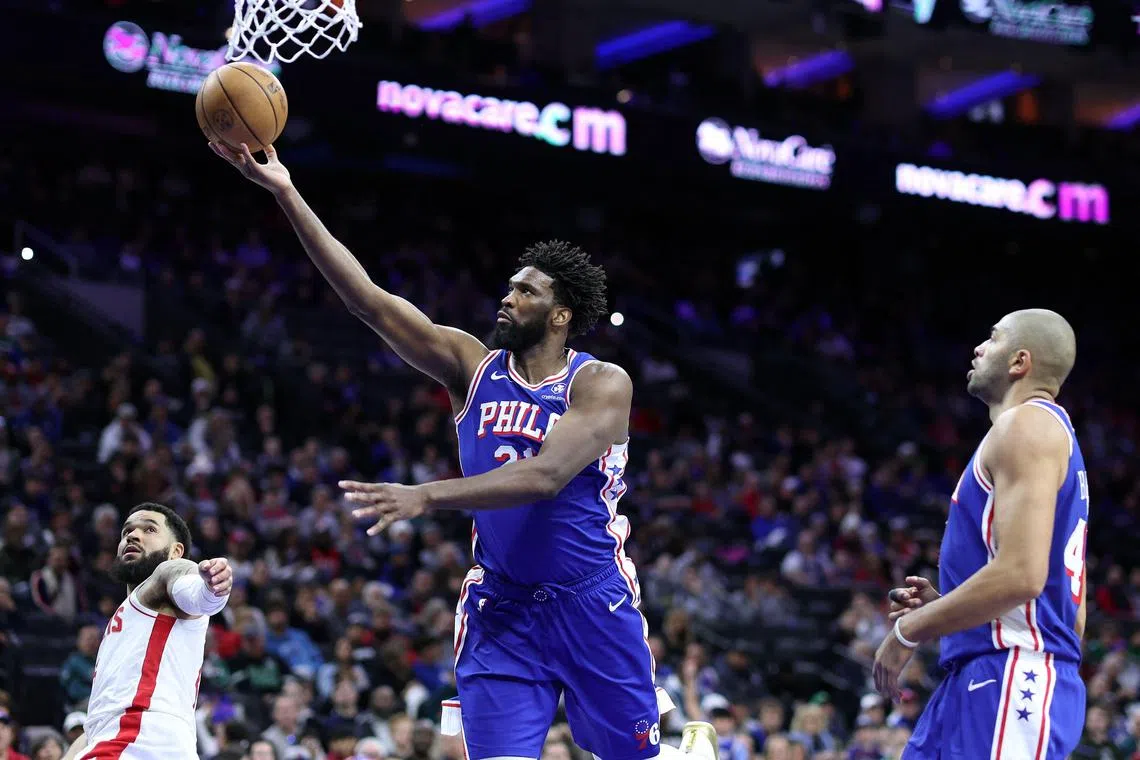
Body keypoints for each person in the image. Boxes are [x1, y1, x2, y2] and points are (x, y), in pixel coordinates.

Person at [211, 142, 717, 760]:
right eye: (509, 287)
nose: (507, 297)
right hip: (500, 610)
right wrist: (286, 191)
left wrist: (426, 495)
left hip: (592, 598)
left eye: (526, 291)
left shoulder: (600, 383)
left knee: (631, 756)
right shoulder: (468, 366)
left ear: (561, 315)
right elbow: (365, 301)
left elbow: (546, 477)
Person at [873, 309, 1087, 758]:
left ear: (1019, 362)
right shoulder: (1044, 437)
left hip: (1012, 683)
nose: (978, 348)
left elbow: (1023, 576)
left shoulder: (1027, 425)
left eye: (992, 338)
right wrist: (955, 607)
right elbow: (1070, 614)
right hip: (983, 674)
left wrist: (909, 629)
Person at [59, 503, 232, 760]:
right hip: (132, 743)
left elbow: (188, 584)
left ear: (176, 551)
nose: (133, 535)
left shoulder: (165, 579)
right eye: (127, 531)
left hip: (140, 743)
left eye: (149, 529)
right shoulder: (125, 618)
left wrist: (211, 587)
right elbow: (98, 725)